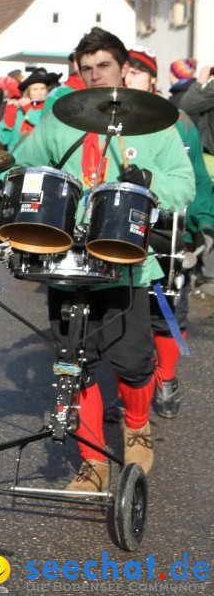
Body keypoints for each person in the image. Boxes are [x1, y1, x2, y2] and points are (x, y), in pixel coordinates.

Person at [14, 27, 194, 493]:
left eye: (104, 67)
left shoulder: (157, 122)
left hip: (127, 260)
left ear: (123, 69)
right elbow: (22, 164)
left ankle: (137, 429)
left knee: (133, 363)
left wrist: (150, 184)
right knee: (77, 362)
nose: (95, 75)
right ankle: (93, 462)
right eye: (86, 69)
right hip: (67, 263)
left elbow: (185, 186)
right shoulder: (60, 120)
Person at [124, 48, 214, 418]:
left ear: (153, 79)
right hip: (122, 226)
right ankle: (134, 389)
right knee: (124, 313)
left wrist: (204, 223)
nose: (129, 78)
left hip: (166, 228)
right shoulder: (110, 116)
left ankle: (168, 378)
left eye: (138, 72)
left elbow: (196, 176)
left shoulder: (178, 121)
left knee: (166, 308)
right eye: (126, 71)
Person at [0, 68, 58, 154]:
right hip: (17, 162)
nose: (39, 92)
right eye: (35, 89)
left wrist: (29, 110)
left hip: (41, 161)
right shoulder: (20, 111)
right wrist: (9, 116)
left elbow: (46, 127)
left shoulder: (51, 107)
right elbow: (4, 140)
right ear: (28, 92)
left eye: (42, 88)